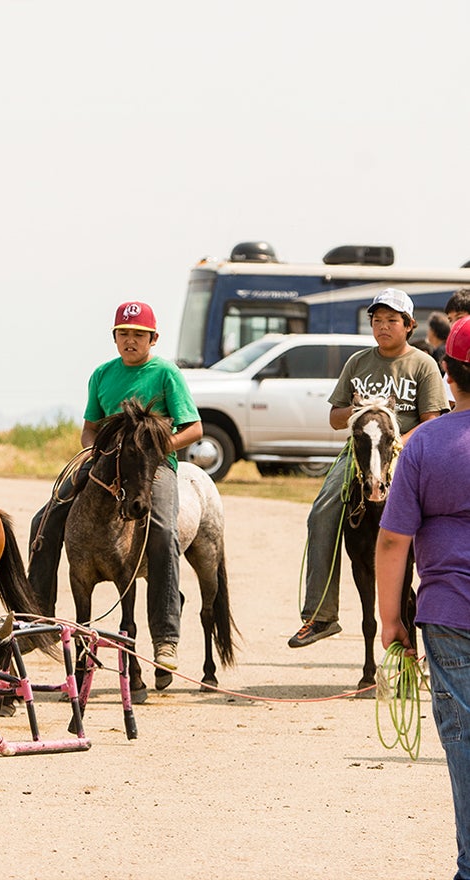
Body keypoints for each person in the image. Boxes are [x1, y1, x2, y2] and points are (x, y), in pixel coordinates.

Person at [27, 301, 202, 684]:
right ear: (115, 337)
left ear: (153, 338)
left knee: (164, 532)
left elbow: (194, 429)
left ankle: (165, 637)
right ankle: (37, 619)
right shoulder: (102, 375)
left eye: (138, 334)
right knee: (45, 520)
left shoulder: (166, 373)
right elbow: (90, 426)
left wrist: (158, 448)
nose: (130, 340)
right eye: (123, 333)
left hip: (153, 467)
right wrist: (92, 449)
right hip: (107, 464)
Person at [289, 288, 447, 648]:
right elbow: (334, 418)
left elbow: (433, 419)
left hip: (405, 453)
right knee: (321, 512)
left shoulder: (422, 365)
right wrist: (360, 411)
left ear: (409, 325)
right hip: (359, 452)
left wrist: (396, 445)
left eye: (392, 320)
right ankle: (321, 614)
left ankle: (443, 604)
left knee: (442, 513)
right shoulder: (357, 362)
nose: (383, 327)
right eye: (377, 320)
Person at [376, 315, 470, 880]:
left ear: (449, 372)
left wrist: (391, 620)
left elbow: (391, 540)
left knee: (463, 737)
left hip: (450, 614)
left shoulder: (426, 445)